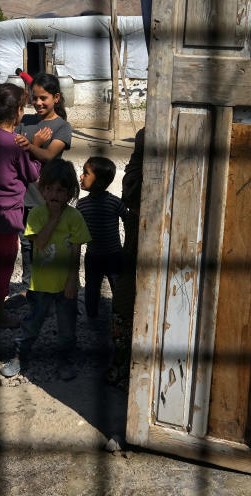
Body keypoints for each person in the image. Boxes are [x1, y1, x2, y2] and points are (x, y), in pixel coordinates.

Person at [0, 159, 90, 381]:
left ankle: (65, 360)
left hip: (65, 285)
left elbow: (76, 251)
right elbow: (39, 244)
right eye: (49, 189)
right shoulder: (37, 214)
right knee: (32, 324)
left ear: (70, 192)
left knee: (67, 329)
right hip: (40, 285)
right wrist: (54, 218)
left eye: (60, 190)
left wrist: (72, 280)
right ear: (42, 189)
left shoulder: (75, 217)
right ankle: (19, 357)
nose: (54, 195)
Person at [0, 83, 42, 328]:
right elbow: (31, 174)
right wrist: (37, 149)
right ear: (19, 110)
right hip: (6, 213)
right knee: (5, 260)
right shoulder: (16, 143)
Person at [14, 73, 72, 290]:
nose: (37, 103)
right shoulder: (25, 121)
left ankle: (49, 287)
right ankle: (28, 287)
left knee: (48, 243)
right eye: (34, 98)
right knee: (27, 245)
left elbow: (49, 156)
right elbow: (12, 152)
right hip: (22, 196)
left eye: (43, 98)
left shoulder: (62, 127)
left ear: (56, 97)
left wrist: (29, 145)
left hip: (46, 199)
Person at [109, 127, 145, 387]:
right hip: (136, 243)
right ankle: (123, 363)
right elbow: (130, 192)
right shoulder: (147, 137)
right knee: (125, 302)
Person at [76, 156, 126, 319]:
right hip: (93, 256)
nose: (81, 176)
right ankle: (92, 318)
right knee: (91, 288)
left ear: (99, 180)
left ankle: (118, 317)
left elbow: (128, 220)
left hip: (114, 256)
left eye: (86, 173)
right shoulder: (81, 204)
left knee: (117, 288)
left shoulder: (114, 202)